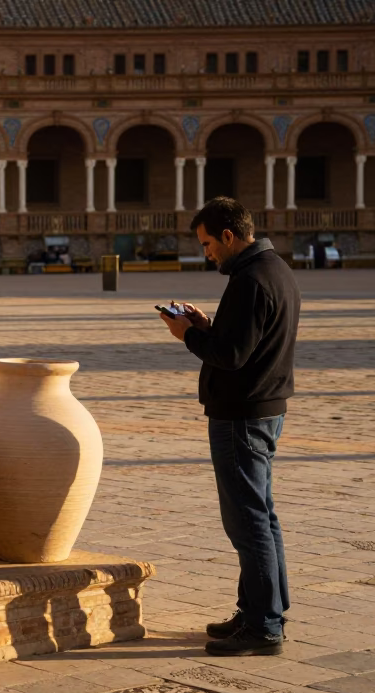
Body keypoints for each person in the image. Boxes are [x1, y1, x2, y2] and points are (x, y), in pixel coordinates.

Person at [160, 197, 301, 657]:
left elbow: (231, 356)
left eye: (207, 244)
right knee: (262, 515)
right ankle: (262, 609)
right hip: (264, 406)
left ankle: (263, 626)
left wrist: (188, 336)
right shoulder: (273, 270)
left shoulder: (250, 280)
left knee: (247, 521)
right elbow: (246, 339)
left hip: (241, 414)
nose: (207, 254)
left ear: (228, 236)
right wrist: (208, 324)